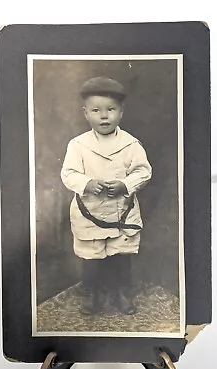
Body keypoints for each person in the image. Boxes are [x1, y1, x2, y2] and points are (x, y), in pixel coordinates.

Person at [61, 76, 152, 315]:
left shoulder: (130, 144)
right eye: (96, 110)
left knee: (120, 256)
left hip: (121, 211)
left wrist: (125, 184)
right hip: (90, 212)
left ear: (121, 113)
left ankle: (121, 292)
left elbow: (144, 171)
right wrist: (87, 183)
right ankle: (93, 293)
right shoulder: (78, 145)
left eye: (110, 110)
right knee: (91, 257)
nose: (103, 116)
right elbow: (68, 173)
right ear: (85, 113)